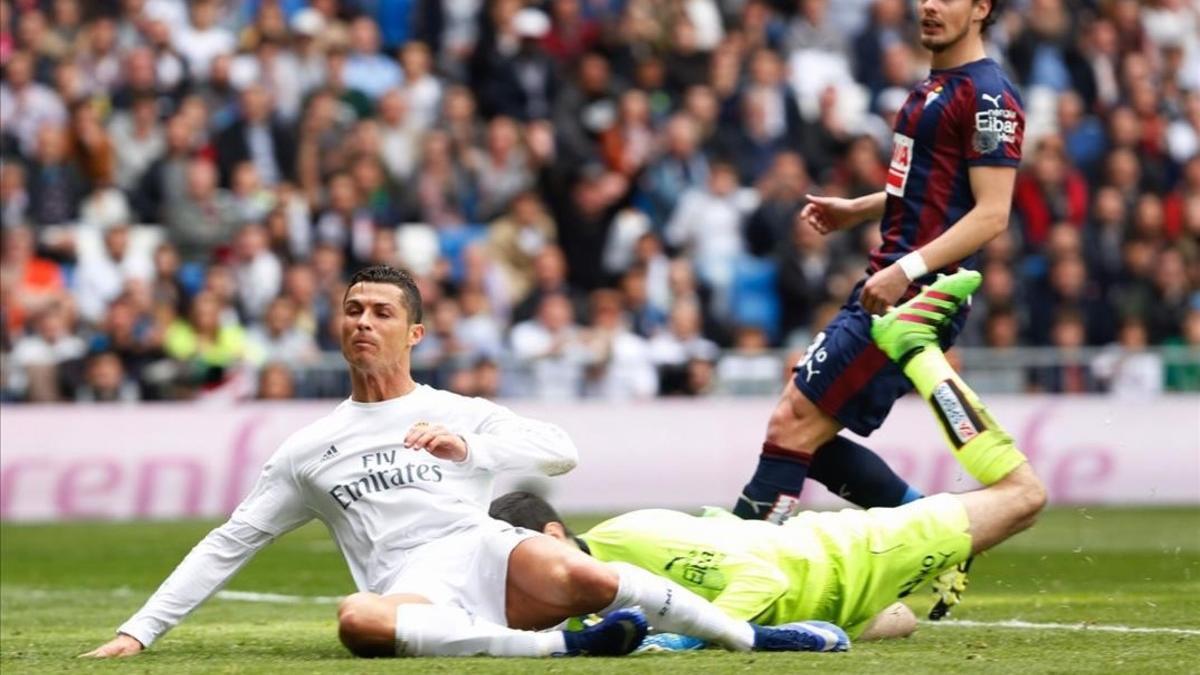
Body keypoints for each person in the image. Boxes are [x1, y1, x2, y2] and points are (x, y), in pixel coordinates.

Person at [82, 265, 850, 660]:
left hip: (491, 558)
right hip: (411, 589)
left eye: (381, 312)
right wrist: (138, 632)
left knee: (577, 570)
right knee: (357, 620)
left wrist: (473, 446)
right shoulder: (309, 447)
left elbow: (562, 451)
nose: (363, 322)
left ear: (412, 333)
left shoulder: (457, 409)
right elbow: (230, 541)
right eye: (353, 309)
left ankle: (751, 640)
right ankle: (569, 648)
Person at [493, 272, 1046, 647]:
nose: (519, 586)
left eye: (518, 568)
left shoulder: (633, 544)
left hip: (854, 557)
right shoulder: (597, 596)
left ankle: (918, 351)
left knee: (1025, 495)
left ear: (553, 536)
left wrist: (685, 638)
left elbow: (757, 580)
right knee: (897, 619)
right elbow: (721, 537)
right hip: (833, 590)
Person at [730, 0, 1024, 617]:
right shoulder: (932, 87)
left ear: (981, 9)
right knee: (807, 435)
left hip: (916, 293)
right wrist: (857, 209)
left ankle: (738, 576)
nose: (929, 5)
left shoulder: (991, 98)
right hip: (891, 278)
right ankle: (935, 535)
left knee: (792, 426)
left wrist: (908, 269)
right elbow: (919, 187)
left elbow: (992, 213)